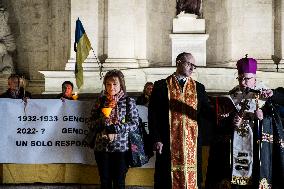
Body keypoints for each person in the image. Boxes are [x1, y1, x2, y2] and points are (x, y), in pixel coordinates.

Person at [206, 55, 281, 189]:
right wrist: (231, 120)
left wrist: (262, 117)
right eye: (240, 78)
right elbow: (223, 122)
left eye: (247, 79)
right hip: (236, 146)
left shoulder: (265, 94)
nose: (243, 82)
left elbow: (275, 119)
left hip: (256, 145)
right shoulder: (233, 94)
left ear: (255, 79)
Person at [148, 52, 213, 189]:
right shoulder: (161, 86)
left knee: (193, 178)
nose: (192, 68)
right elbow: (153, 115)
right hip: (167, 141)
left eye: (194, 66)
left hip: (192, 143)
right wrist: (156, 138)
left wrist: (222, 112)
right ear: (178, 62)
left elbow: (207, 113)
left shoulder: (199, 88)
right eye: (189, 64)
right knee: (166, 179)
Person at [90, 69, 139, 189]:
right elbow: (90, 123)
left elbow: (134, 124)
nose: (111, 87)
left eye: (115, 84)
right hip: (102, 148)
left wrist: (114, 128)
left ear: (121, 84)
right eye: (108, 84)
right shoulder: (100, 101)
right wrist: (103, 121)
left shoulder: (128, 102)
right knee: (105, 182)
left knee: (119, 182)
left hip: (121, 149)